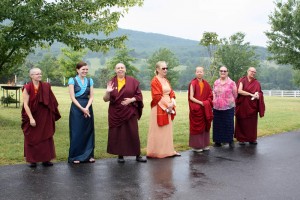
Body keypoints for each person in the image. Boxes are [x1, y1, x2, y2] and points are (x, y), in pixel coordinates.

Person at [103, 63, 146, 163]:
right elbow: (105, 99)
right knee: (119, 134)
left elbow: (139, 96)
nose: (120, 69)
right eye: (118, 68)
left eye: (122, 68)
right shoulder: (111, 82)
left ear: (125, 69)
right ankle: (120, 155)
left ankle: (137, 155)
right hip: (116, 112)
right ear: (115, 70)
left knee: (133, 133)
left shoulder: (132, 81)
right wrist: (107, 91)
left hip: (130, 111)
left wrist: (131, 100)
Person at [21, 68, 61, 168]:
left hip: (45, 116)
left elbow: (51, 101)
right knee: (32, 137)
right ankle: (32, 160)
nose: (39, 75)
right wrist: (30, 118)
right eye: (36, 74)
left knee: (46, 136)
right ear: (31, 76)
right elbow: (25, 104)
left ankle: (46, 159)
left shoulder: (46, 86)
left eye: (40, 73)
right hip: (33, 115)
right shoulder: (27, 87)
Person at [147, 61, 181, 158]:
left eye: (166, 68)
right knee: (158, 130)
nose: (165, 70)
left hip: (168, 105)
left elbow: (171, 92)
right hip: (159, 106)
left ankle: (168, 151)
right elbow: (157, 96)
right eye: (163, 68)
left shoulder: (166, 80)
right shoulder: (155, 80)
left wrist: (172, 102)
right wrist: (168, 105)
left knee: (167, 130)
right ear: (157, 69)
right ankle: (157, 152)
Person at [68, 61, 95, 164]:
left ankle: (88, 155)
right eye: (83, 69)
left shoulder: (90, 81)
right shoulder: (72, 80)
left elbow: (91, 96)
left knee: (88, 131)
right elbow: (72, 97)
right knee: (77, 132)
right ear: (77, 70)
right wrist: (82, 109)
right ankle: (76, 156)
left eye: (86, 69)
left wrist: (87, 107)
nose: (85, 71)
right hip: (77, 108)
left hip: (88, 107)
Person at [235, 67, 265, 145]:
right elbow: (239, 91)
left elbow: (260, 93)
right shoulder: (242, 80)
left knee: (252, 123)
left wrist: (258, 96)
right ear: (248, 71)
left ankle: (252, 139)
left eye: (254, 72)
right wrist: (250, 94)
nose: (253, 73)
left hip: (252, 106)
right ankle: (241, 139)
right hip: (242, 105)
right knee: (242, 122)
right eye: (251, 71)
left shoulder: (257, 83)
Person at [188, 66, 213, 152]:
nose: (199, 73)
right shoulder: (193, 83)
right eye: (198, 71)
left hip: (204, 108)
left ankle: (204, 144)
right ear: (195, 73)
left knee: (205, 126)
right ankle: (196, 146)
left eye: (201, 71)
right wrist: (201, 103)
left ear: (203, 73)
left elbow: (210, 95)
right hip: (197, 109)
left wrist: (206, 103)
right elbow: (191, 97)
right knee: (197, 127)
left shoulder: (206, 84)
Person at [212, 66, 237, 148]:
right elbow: (214, 93)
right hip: (217, 107)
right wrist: (214, 100)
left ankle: (230, 140)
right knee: (218, 124)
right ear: (219, 72)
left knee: (228, 124)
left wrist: (228, 101)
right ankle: (218, 141)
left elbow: (235, 95)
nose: (223, 72)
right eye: (221, 71)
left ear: (227, 72)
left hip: (228, 107)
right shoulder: (216, 82)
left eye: (224, 71)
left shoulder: (232, 83)